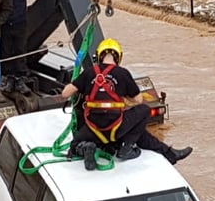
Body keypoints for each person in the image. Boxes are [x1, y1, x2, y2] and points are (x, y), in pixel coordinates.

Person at [61, 38, 192, 171]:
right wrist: (122, 98)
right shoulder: (123, 73)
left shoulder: (89, 72)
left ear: (99, 56)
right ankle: (128, 147)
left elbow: (65, 94)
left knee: (74, 145)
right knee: (144, 111)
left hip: (93, 129)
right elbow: (139, 100)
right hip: (116, 127)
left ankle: (85, 148)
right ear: (118, 57)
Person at [0, 0, 37, 91]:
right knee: (6, 50)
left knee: (20, 50)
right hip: (6, 22)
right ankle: (8, 77)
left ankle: (20, 78)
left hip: (20, 22)